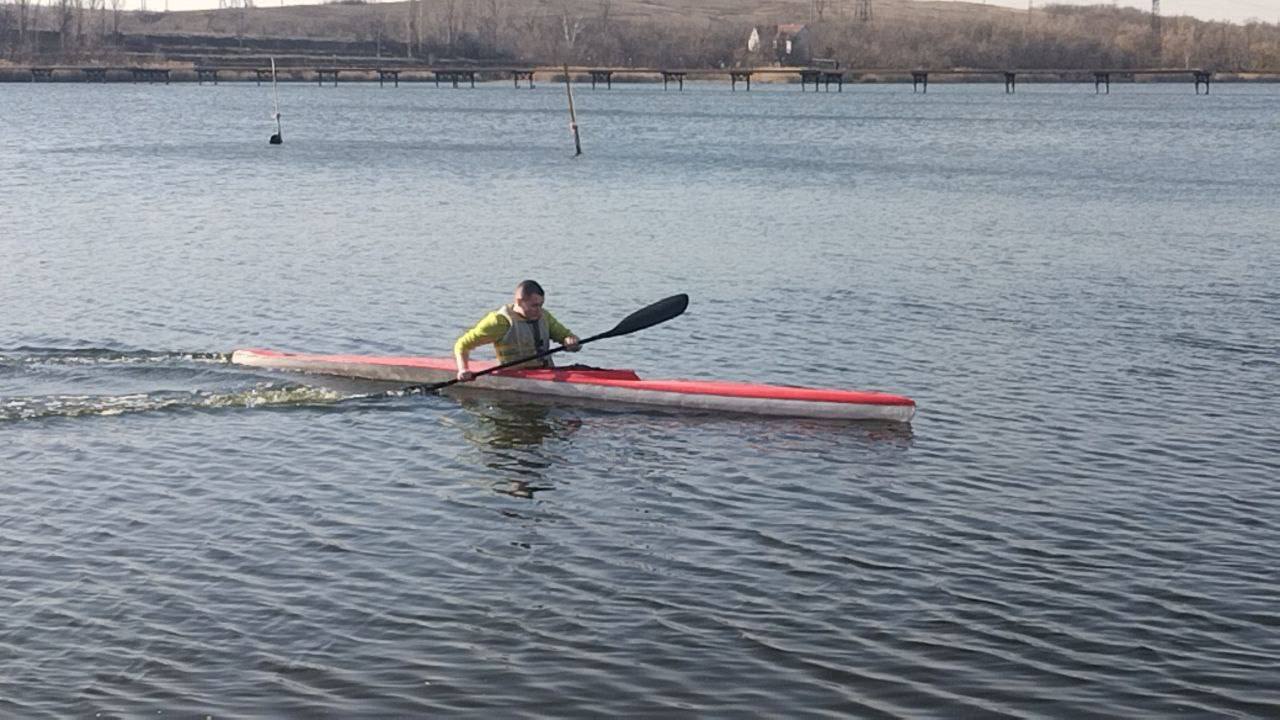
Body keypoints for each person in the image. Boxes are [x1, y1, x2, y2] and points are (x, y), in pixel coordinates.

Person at [454, 280, 581, 382]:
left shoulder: (544, 316)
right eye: (534, 305)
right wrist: (463, 369)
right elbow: (462, 344)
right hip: (513, 376)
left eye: (541, 305)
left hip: (545, 373)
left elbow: (566, 337)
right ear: (519, 301)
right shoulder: (499, 321)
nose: (539, 310)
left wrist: (571, 342)